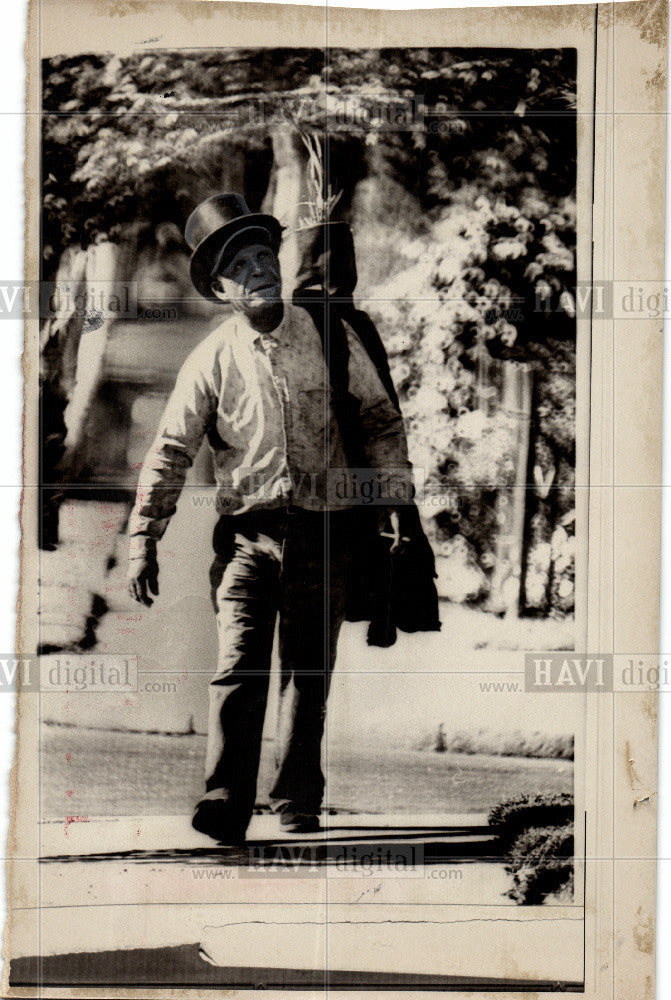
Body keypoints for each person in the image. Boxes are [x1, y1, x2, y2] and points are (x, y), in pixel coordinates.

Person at [127, 193, 419, 844]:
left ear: (279, 266)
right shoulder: (212, 359)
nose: (256, 270)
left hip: (327, 528)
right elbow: (172, 448)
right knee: (238, 668)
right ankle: (225, 798)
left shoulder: (328, 336)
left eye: (263, 255)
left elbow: (377, 420)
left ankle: (297, 796)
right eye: (240, 265)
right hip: (247, 538)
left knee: (308, 671)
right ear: (221, 289)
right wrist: (144, 534)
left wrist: (393, 501)